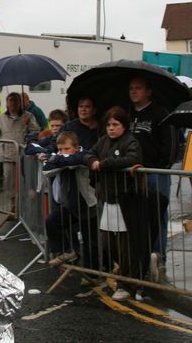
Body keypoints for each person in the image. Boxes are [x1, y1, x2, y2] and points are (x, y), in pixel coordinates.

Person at [83, 107, 151, 301]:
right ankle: (125, 273)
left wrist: (104, 164)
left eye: (115, 125)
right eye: (109, 125)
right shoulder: (103, 141)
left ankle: (127, 283)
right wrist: (93, 160)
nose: (111, 128)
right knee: (108, 242)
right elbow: (88, 154)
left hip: (125, 198)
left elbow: (132, 158)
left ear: (124, 126)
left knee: (126, 244)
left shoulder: (130, 141)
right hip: (108, 198)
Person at [127, 76, 175, 283]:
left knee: (158, 216)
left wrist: (162, 167)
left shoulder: (160, 113)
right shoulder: (127, 114)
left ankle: (159, 257)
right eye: (131, 88)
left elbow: (170, 144)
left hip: (155, 172)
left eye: (138, 87)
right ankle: (140, 260)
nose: (134, 91)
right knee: (136, 218)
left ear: (149, 91)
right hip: (131, 174)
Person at [43, 131, 98, 271]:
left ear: (76, 147)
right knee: (52, 221)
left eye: (66, 149)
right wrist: (59, 160)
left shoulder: (83, 155)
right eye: (60, 150)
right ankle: (67, 251)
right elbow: (46, 170)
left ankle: (93, 273)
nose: (63, 152)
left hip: (86, 204)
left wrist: (56, 160)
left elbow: (75, 162)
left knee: (90, 242)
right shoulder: (61, 158)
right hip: (69, 205)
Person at [0, 92, 39, 200]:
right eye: (11, 100)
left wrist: (29, 123)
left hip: (25, 155)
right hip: (8, 156)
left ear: (20, 103)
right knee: (9, 182)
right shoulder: (1, 118)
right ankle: (13, 206)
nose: (13, 103)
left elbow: (36, 131)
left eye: (16, 100)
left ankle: (25, 206)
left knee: (25, 180)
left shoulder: (28, 116)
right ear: (7, 103)